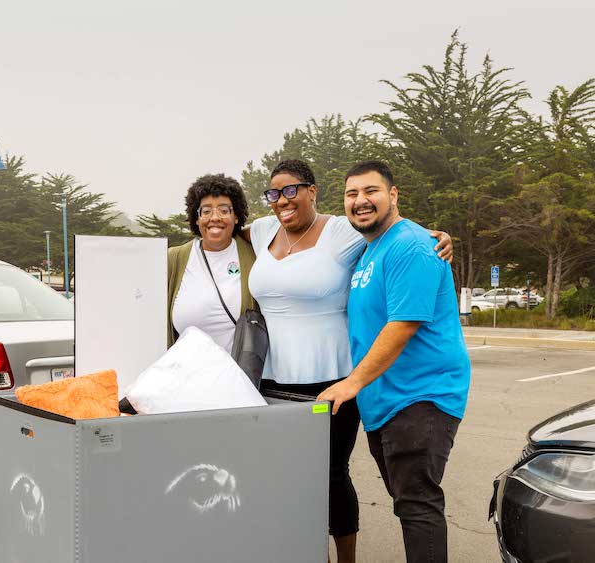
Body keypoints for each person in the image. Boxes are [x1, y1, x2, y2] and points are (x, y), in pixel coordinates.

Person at [242, 159, 453, 563]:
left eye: (292, 190)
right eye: (274, 192)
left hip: (337, 379)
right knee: (289, 479)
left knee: (335, 476)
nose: (282, 199)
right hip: (273, 379)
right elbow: (229, 229)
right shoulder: (264, 229)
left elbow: (396, 234)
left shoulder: (343, 231)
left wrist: (437, 236)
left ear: (312, 191)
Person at [318, 160, 470, 563]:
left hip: (421, 395)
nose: (360, 201)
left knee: (417, 504)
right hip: (385, 399)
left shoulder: (412, 245)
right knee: (407, 501)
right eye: (352, 194)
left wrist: (352, 382)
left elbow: (403, 324)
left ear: (393, 195)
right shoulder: (370, 250)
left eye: (371, 191)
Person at [167, 173, 255, 352]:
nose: (215, 217)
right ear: (196, 218)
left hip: (239, 376)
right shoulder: (174, 259)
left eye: (224, 210)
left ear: (236, 216)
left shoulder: (254, 254)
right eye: (206, 211)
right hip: (185, 375)